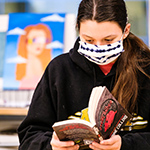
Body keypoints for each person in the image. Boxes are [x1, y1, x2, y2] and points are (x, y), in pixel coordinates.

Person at [18, 0, 150, 149]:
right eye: (89, 40)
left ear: (126, 31)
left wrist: (126, 145)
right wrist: (51, 146)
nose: (99, 48)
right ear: (78, 31)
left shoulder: (146, 70)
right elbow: (29, 137)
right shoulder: (59, 70)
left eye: (108, 40)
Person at [16, 23, 52, 89]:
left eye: (42, 40)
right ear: (25, 41)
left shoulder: (45, 65)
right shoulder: (24, 65)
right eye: (34, 40)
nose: (39, 44)